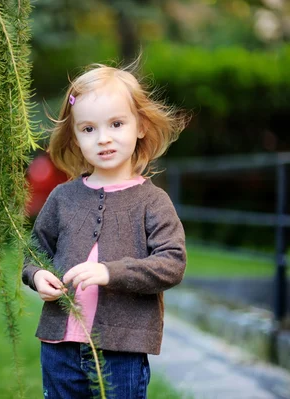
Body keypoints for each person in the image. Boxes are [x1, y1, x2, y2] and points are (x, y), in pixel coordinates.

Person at [22, 61, 189, 399]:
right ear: (75, 137)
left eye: (116, 123)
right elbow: (34, 250)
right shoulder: (62, 197)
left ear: (140, 126)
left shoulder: (152, 202)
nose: (104, 138)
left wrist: (109, 272)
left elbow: (172, 263)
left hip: (121, 349)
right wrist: (37, 275)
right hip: (59, 345)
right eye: (88, 129)